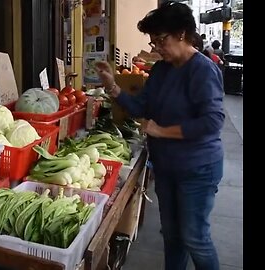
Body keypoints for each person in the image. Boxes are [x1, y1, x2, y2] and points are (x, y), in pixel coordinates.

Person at [95, 2, 224, 270]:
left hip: (197, 168)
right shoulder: (161, 70)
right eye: (153, 42)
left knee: (195, 237)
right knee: (172, 236)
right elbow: (141, 107)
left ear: (181, 34)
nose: (156, 48)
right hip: (166, 168)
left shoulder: (202, 69)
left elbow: (212, 121)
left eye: (160, 40)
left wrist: (161, 131)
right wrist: (113, 88)